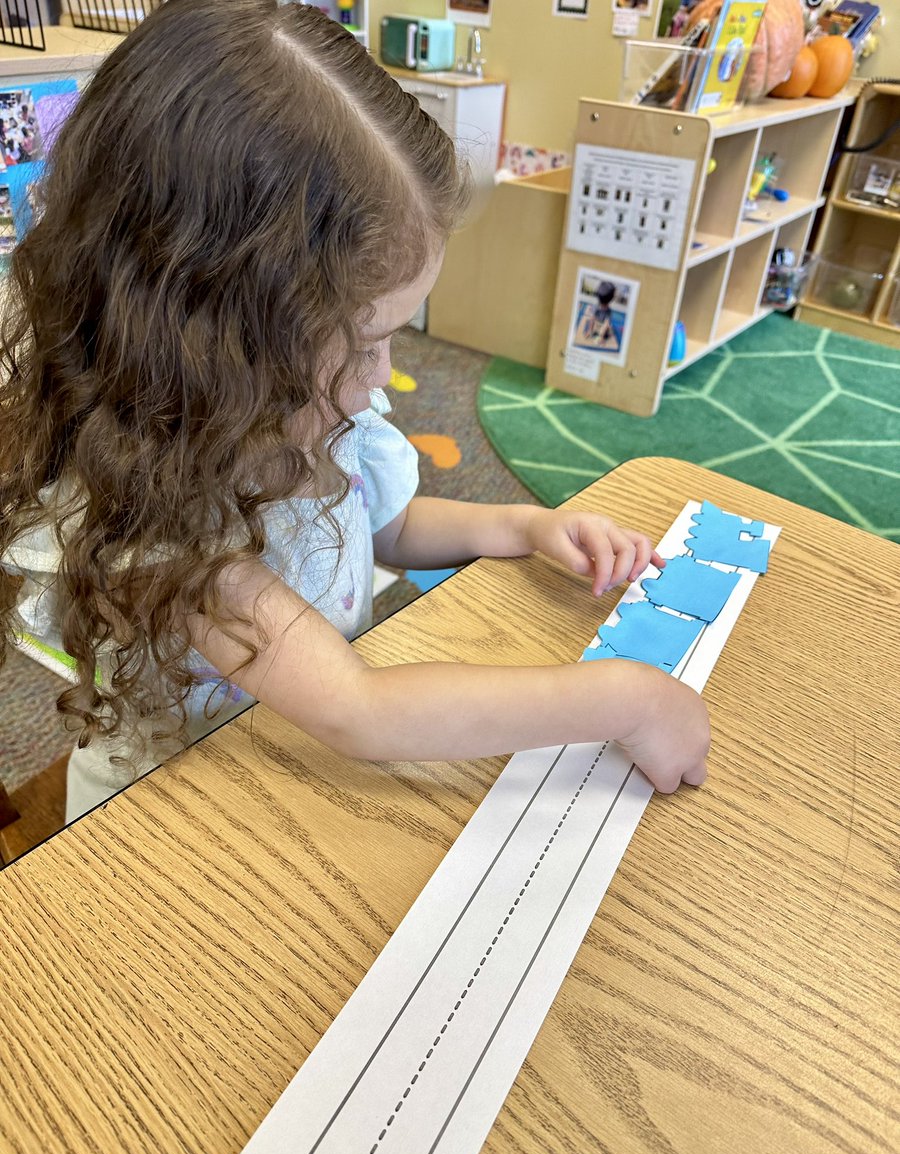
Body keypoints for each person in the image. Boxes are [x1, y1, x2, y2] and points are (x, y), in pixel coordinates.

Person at [0, 0, 710, 823]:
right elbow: (358, 710)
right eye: (369, 341)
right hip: (177, 819)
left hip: (288, 771)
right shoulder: (156, 517)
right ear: (223, 348)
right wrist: (625, 699)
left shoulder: (300, 410)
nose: (386, 375)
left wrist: (517, 528)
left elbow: (385, 525)